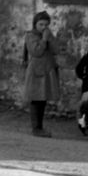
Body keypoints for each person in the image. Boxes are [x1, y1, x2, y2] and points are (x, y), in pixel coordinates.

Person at [21, 9, 60, 137]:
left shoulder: (48, 35)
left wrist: (50, 39)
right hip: (36, 72)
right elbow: (36, 52)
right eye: (41, 25)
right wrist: (43, 40)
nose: (43, 27)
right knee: (35, 99)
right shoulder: (30, 36)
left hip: (47, 70)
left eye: (46, 25)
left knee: (43, 99)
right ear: (35, 24)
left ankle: (40, 126)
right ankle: (36, 127)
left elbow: (56, 50)